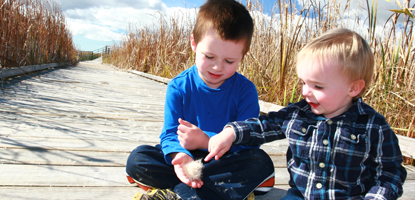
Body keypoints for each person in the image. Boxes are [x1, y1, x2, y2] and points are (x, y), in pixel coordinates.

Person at [206, 28, 407, 199]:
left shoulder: (373, 126)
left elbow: (390, 173)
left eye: (317, 86)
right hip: (300, 195)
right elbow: (266, 125)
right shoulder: (299, 114)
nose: (304, 92)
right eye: (303, 82)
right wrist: (232, 132)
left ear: (353, 88)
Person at [126, 0, 275, 199]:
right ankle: (208, 191)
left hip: (225, 161)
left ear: (242, 56)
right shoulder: (178, 86)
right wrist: (180, 157)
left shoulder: (246, 91)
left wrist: (206, 141)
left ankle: (179, 193)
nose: (217, 67)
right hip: (188, 159)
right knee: (138, 159)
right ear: (194, 43)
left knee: (260, 162)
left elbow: (248, 141)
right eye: (209, 56)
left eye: (229, 61)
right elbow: (169, 134)